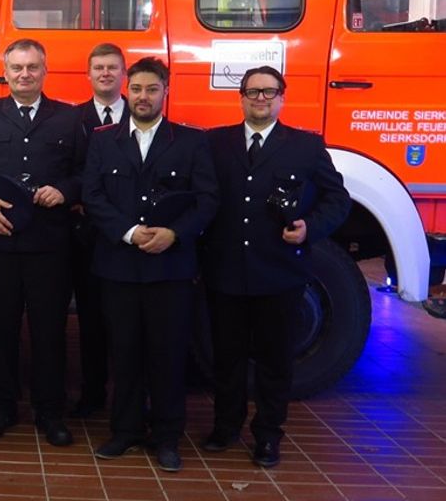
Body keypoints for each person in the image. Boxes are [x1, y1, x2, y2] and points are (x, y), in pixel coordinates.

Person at [202, 66, 350, 468]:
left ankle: (268, 435)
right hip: (226, 271)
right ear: (242, 98)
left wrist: (310, 229)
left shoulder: (306, 146)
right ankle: (226, 427)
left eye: (269, 92)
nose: (260, 98)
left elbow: (338, 201)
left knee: (275, 361)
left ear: (282, 97)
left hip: (279, 274)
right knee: (226, 358)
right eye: (252, 92)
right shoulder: (215, 143)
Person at [82, 57, 218, 472]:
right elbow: (93, 196)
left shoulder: (190, 142)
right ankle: (124, 432)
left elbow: (208, 200)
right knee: (123, 353)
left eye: (151, 89)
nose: (143, 97)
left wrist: (174, 234)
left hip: (170, 268)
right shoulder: (104, 140)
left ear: (165, 91)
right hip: (119, 266)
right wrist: (128, 232)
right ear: (128, 90)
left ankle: (166, 438)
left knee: (167, 355)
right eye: (136, 89)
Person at [0, 38, 86, 447]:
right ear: (5, 72)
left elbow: (88, 172)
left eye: (32, 67)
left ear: (45, 71)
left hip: (49, 243)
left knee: (50, 331)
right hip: (0, 240)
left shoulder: (68, 117)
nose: (24, 74)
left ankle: (50, 413)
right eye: (17, 68)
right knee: (1, 328)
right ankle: (2, 408)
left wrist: (65, 190)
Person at [69, 42, 128, 419]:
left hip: (129, 237)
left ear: (124, 74)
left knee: (126, 322)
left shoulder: (142, 115)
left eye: (112, 68)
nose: (105, 74)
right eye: (98, 68)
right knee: (90, 319)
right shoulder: (72, 120)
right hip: (86, 234)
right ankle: (92, 394)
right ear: (88, 75)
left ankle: (127, 397)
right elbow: (67, 167)